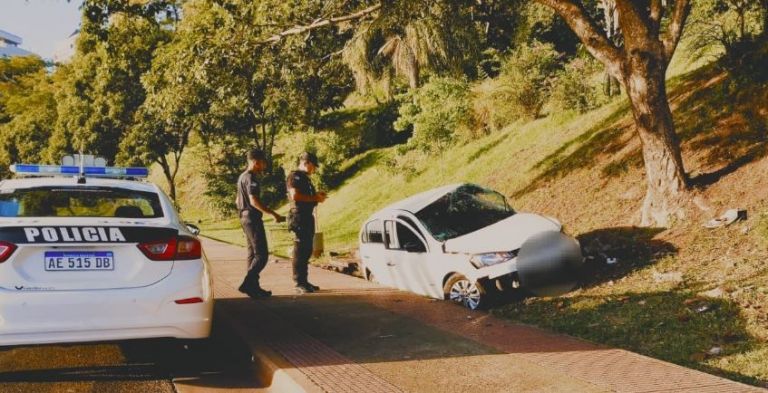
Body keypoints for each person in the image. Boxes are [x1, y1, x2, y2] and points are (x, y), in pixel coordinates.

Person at [236, 148, 284, 298]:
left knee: (252, 254)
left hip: (244, 217)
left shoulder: (242, 177)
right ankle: (247, 283)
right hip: (252, 218)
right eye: (263, 162)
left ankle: (253, 287)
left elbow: (237, 200)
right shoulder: (251, 178)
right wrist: (273, 214)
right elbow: (254, 201)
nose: (264, 165)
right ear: (256, 162)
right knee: (262, 255)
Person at [286, 152, 327, 294]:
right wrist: (314, 197)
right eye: (313, 166)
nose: (314, 169)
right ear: (307, 163)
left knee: (307, 249)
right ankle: (298, 282)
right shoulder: (295, 176)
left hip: (307, 216)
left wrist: (317, 198)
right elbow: (295, 196)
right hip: (299, 217)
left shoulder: (305, 179)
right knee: (300, 250)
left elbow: (307, 197)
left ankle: (304, 280)